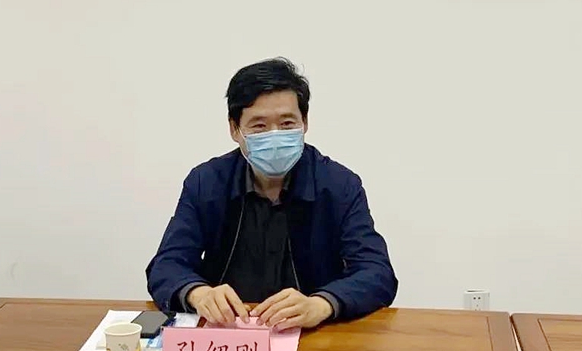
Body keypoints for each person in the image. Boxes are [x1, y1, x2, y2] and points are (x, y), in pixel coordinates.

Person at [146, 57, 397, 331]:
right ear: (234, 129)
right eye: (259, 126)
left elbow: (377, 272)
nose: (275, 136)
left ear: (305, 123)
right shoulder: (206, 183)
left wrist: (321, 304)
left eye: (287, 123)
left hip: (311, 336)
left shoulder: (339, 185)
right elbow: (166, 265)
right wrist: (199, 293)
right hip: (228, 334)